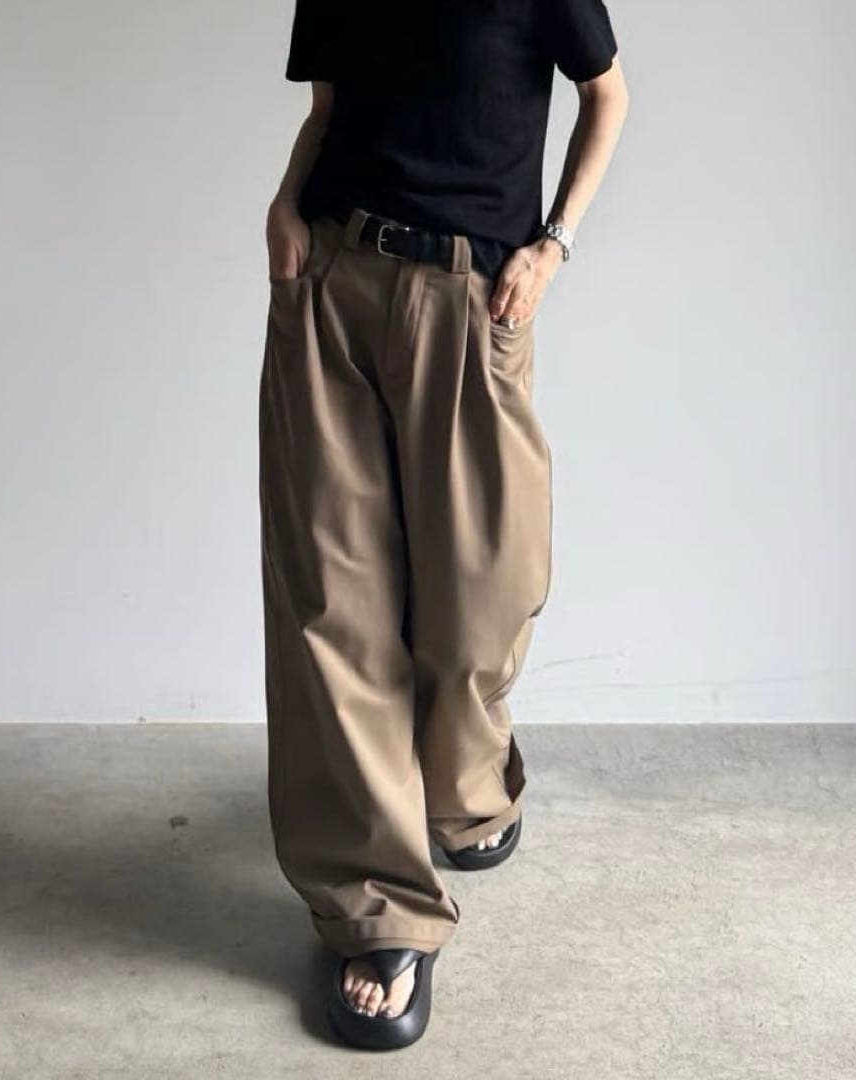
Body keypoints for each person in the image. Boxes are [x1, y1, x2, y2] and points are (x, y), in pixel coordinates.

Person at [259, 0, 629, 1050]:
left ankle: (462, 788)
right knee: (335, 606)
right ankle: (377, 912)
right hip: (332, 280)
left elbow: (605, 95)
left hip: (473, 296)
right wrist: (283, 205)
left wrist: (552, 244)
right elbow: (328, 110)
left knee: (484, 588)